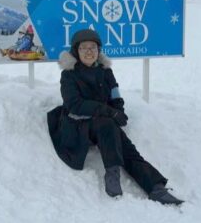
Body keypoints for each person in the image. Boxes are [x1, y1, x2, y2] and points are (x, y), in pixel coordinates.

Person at [46, 29, 183, 205]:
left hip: (103, 123)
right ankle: (112, 173)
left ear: (98, 50)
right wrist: (110, 112)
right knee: (107, 124)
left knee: (127, 148)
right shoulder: (69, 74)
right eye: (84, 48)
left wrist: (119, 110)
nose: (89, 52)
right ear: (75, 51)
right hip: (78, 125)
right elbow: (75, 105)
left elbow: (115, 94)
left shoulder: (105, 71)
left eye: (93, 47)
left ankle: (156, 187)